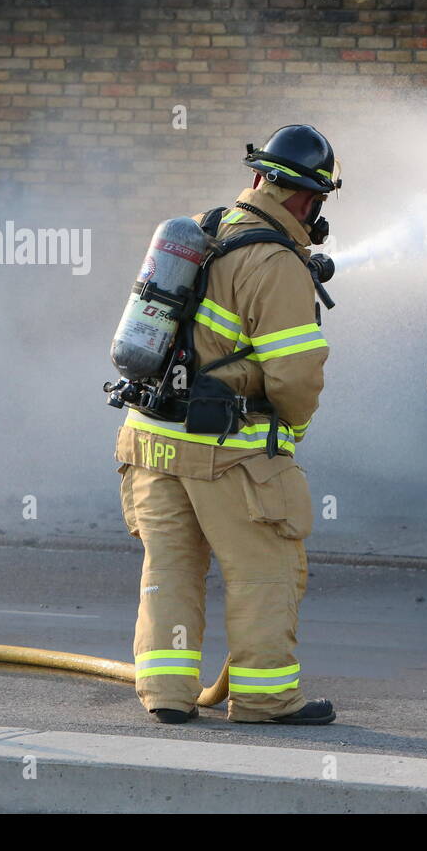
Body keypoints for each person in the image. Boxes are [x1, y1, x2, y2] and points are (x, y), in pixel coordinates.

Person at [116, 125, 340, 725]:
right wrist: (290, 431)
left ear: (258, 177)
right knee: (265, 573)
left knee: (169, 571)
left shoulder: (200, 230)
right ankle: (266, 699)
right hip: (227, 452)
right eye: (317, 201)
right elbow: (295, 377)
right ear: (305, 198)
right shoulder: (276, 263)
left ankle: (166, 696)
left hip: (150, 439)